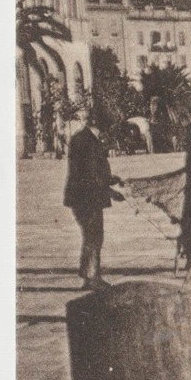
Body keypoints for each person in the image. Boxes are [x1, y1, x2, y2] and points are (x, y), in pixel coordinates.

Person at [63, 107, 121, 290]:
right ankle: (91, 277)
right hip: (86, 197)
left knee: (92, 236)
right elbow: (89, 174)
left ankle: (89, 275)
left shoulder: (85, 138)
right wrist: (111, 192)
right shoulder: (87, 141)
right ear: (100, 124)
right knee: (93, 236)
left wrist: (112, 180)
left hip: (85, 196)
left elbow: (93, 171)